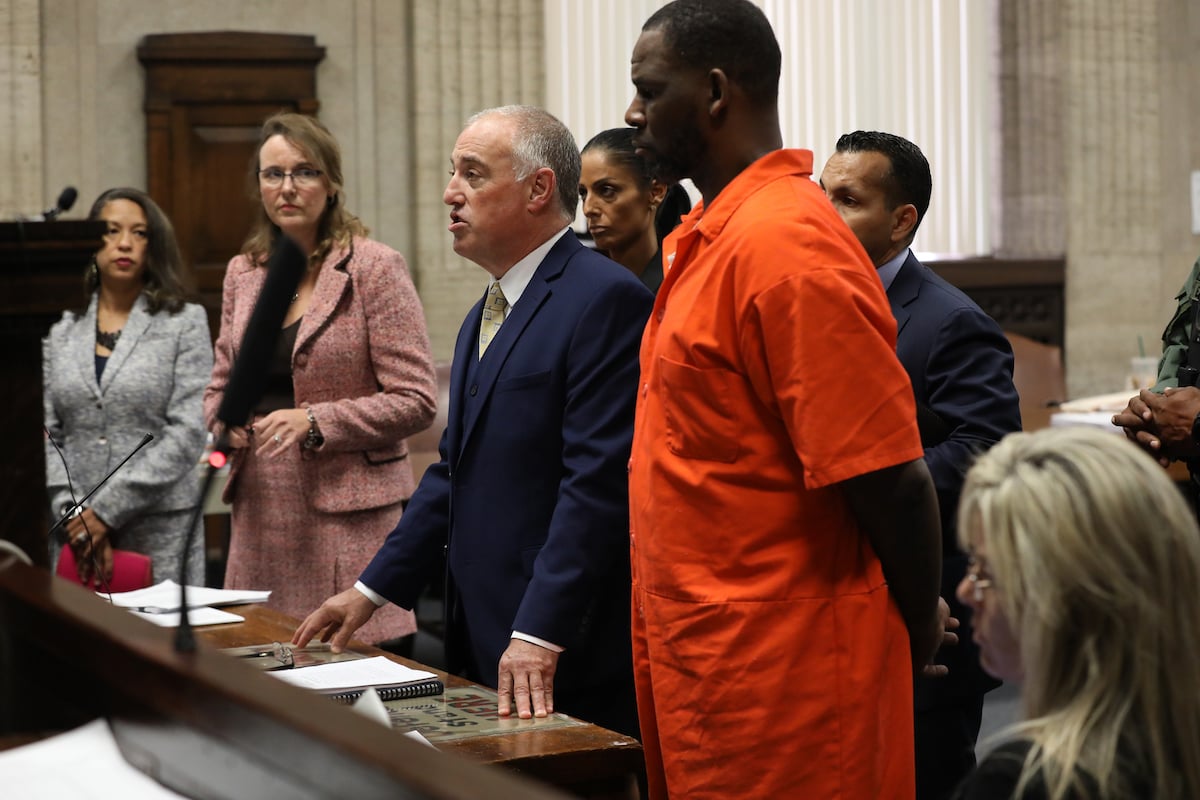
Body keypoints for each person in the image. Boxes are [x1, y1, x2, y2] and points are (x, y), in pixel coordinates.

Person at [624, 2, 945, 797]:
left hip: (788, 679)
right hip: (707, 654)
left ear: (717, 91)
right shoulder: (712, 233)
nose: (633, 111)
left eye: (648, 88)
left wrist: (913, 622)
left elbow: (891, 479)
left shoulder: (787, 247)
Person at [293, 105, 654, 739]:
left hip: (555, 639)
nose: (449, 192)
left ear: (539, 189)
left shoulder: (604, 297)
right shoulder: (483, 313)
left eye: (473, 174)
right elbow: (453, 471)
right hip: (478, 628)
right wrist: (371, 591)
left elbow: (595, 485)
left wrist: (540, 632)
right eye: (452, 172)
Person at [820, 130, 1022, 800]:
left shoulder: (949, 320)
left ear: (902, 219)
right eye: (822, 194)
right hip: (839, 604)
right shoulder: (818, 300)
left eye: (847, 199)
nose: (825, 212)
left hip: (927, 611)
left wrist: (865, 481)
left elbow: (987, 452)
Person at [203, 112, 437, 647]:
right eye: (272, 174)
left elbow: (416, 399)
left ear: (330, 184)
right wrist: (225, 421)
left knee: (353, 686)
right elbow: (219, 384)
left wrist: (315, 420)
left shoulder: (374, 268)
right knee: (258, 672)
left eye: (303, 172)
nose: (286, 187)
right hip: (261, 507)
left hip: (345, 514)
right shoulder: (244, 271)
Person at [951, 426, 1200, 800]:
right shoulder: (1177, 742)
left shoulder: (1024, 783)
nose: (965, 591)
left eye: (985, 572)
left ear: (1065, 600)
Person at [44, 187, 212, 586]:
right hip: (74, 534)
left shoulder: (184, 322)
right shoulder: (59, 326)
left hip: (160, 530)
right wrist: (75, 515)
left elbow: (188, 431)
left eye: (139, 233)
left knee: (158, 648)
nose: (125, 243)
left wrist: (104, 512)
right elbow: (46, 433)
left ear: (154, 246)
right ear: (91, 242)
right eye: (112, 230)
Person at [579, 127, 690, 293]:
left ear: (656, 191)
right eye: (583, 193)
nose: (588, 209)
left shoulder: (682, 284)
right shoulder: (581, 287)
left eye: (607, 190)